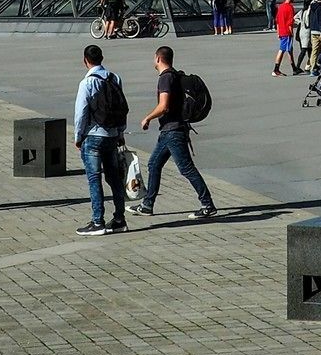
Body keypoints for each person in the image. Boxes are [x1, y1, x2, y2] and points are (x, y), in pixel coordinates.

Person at [129, 45, 217, 219]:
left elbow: (164, 106)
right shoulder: (175, 75)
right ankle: (147, 205)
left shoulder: (165, 78)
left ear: (158, 58)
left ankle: (207, 204)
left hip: (173, 131)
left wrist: (148, 118)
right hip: (171, 131)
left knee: (186, 168)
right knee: (154, 164)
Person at [72, 44, 127, 235]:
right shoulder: (115, 78)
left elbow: (81, 113)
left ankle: (98, 222)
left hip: (93, 136)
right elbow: (121, 106)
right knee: (115, 179)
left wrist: (78, 137)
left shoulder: (86, 83)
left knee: (94, 179)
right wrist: (120, 132)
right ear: (102, 58)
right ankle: (119, 219)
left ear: (85, 60)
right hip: (112, 135)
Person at [271, 0, 296, 77]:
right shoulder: (290, 8)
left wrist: (278, 32)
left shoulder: (280, 7)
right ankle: (276, 69)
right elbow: (290, 22)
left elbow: (277, 21)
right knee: (282, 50)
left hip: (281, 31)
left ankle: (294, 67)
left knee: (289, 49)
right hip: (286, 32)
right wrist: (292, 33)